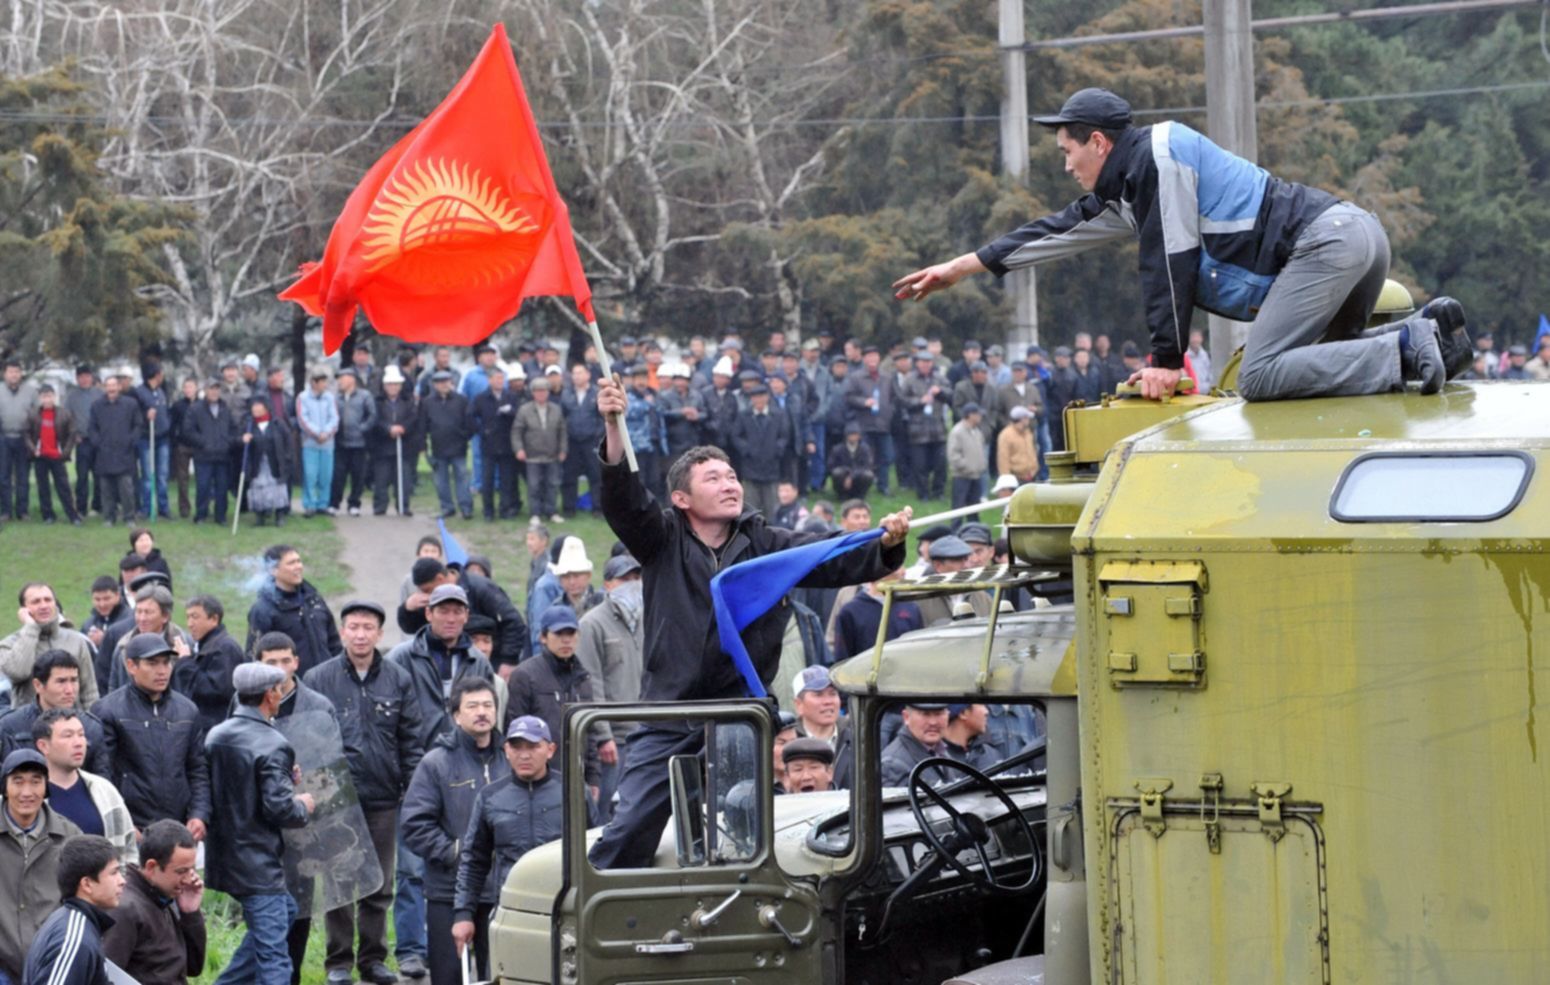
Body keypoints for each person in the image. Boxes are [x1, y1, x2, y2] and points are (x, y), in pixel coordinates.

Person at [894, 87, 1472, 402]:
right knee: (1317, 371)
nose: (1066, 164)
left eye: (1067, 151)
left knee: (1261, 376)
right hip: (1356, 233)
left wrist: (1166, 362)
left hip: (1326, 244)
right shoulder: (1132, 185)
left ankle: (1408, 340)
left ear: (1098, 142)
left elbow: (1169, 263)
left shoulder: (1159, 157)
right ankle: (1432, 336)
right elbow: (1057, 230)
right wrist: (960, 267)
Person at [588, 371, 910, 869]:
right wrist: (614, 426)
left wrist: (884, 545)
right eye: (713, 478)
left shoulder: (764, 543)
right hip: (670, 713)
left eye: (732, 475)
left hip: (741, 715)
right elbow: (624, 501)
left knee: (743, 838)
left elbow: (825, 557)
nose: (730, 484)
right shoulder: (659, 538)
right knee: (628, 830)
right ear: (681, 499)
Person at [303, 600, 422, 985]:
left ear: (379, 634)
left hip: (384, 798)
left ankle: (373, 959)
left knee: (379, 885)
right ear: (342, 632)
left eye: (367, 627)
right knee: (338, 883)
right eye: (353, 627)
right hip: (335, 800)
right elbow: (307, 739)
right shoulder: (319, 678)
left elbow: (411, 739)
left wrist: (411, 790)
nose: (360, 634)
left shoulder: (398, 679)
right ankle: (338, 963)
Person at [204, 662, 315, 985]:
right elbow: (281, 810)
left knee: (287, 912)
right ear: (270, 694)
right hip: (257, 861)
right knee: (275, 958)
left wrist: (282, 778)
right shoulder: (273, 742)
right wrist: (302, 804)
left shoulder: (216, 734)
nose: (281, 696)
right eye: (279, 690)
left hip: (223, 857)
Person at [399, 678, 502, 985]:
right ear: (456, 715)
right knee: (448, 977)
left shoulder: (514, 758)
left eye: (487, 705)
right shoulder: (436, 763)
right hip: (449, 891)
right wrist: (457, 853)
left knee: (501, 974)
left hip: (502, 892)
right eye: (472, 706)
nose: (481, 712)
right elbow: (414, 824)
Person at [451, 716, 571, 970]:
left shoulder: (571, 791)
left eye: (533, 746)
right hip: (511, 912)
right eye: (516, 747)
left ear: (550, 750)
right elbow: (473, 860)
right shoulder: (490, 797)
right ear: (506, 750)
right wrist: (463, 914)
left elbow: (594, 850)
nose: (524, 755)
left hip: (564, 912)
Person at [92, 634, 211, 840]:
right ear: (131, 666)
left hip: (178, 827)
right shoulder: (107, 710)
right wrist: (124, 823)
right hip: (133, 829)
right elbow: (103, 776)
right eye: (152, 663)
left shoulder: (187, 710)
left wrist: (199, 815)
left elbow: (197, 769)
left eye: (166, 663)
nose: (162, 670)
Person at [387, 585, 504, 750]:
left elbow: (489, 716)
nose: (451, 619)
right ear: (429, 614)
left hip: (465, 758)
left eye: (457, 612)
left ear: (466, 616)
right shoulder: (401, 658)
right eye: (443, 611)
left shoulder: (478, 661)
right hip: (414, 758)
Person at [0, 749, 81, 983]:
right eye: (18, 782)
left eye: (36, 782)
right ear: (5, 787)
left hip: (52, 961)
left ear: (46, 787)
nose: (27, 792)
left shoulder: (69, 836)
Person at [507, 606, 603, 801]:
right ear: (543, 637)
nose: (566, 640)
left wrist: (593, 777)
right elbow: (513, 732)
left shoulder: (583, 678)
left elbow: (590, 733)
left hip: (577, 777)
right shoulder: (525, 675)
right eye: (559, 633)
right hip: (537, 779)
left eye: (571, 633)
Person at [574, 554, 643, 818]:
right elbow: (591, 681)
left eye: (637, 578)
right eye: (625, 579)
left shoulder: (647, 618)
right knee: (607, 814)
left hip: (645, 732)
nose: (633, 584)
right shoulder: (591, 624)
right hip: (614, 739)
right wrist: (603, 735)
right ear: (608, 584)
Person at [101, 819, 206, 985]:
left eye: (191, 870)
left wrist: (190, 913)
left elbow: (193, 967)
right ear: (151, 867)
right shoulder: (126, 909)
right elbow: (105, 976)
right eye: (181, 871)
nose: (188, 879)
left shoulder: (162, 897)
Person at [31, 710, 135, 867]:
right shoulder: (26, 798)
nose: (79, 742)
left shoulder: (105, 791)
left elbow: (128, 851)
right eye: (68, 736)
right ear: (43, 746)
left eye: (81, 734)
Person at [19, 834, 122, 985]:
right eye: (114, 873)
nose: (122, 881)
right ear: (87, 884)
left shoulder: (73, 922)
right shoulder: (74, 939)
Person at [397, 559, 527, 670]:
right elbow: (411, 628)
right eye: (444, 611)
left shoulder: (481, 587)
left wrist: (508, 661)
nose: (424, 594)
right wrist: (407, 608)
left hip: (488, 662)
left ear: (440, 579)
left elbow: (513, 621)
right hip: (446, 663)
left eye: (457, 611)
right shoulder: (431, 596)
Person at [0, 652, 110, 776]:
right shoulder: (10, 725)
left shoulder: (91, 727)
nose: (69, 690)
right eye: (61, 681)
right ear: (38, 685)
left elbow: (102, 781)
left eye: (74, 680)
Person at [1, 583, 99, 710]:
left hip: (72, 724)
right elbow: (19, 673)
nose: (43, 606)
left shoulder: (76, 640)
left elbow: (89, 690)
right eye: (36, 602)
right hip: (29, 725)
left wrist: (91, 723)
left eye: (48, 600)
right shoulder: (9, 644)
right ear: (24, 610)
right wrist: (31, 628)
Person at [246, 545, 341, 676]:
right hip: (292, 687)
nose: (298, 567)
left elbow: (334, 641)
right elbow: (255, 656)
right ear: (273, 570)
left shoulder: (314, 600)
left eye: (299, 561)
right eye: (291, 563)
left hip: (327, 681)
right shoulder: (263, 610)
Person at [173, 596, 243, 736]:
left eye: (195, 617)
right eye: (188, 617)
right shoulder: (205, 645)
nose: (190, 623)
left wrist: (186, 662)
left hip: (216, 731)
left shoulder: (225, 647)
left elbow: (215, 690)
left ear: (214, 619)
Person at [105, 585, 192, 692]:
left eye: (148, 612)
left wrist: (184, 661)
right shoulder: (124, 646)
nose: (142, 618)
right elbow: (114, 686)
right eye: (138, 611)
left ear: (165, 616)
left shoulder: (184, 643)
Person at [831, 571, 924, 664]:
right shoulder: (850, 612)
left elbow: (920, 652)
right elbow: (842, 661)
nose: (903, 571)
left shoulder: (911, 608)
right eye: (897, 566)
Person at [87, 375, 142, 526]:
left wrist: (131, 441)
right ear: (105, 387)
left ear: (119, 387)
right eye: (108, 385)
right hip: (104, 453)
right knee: (106, 489)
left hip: (125, 453)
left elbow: (138, 425)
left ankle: (129, 517)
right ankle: (109, 517)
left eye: (113, 385)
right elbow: (92, 428)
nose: (111, 389)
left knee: (127, 489)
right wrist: (97, 443)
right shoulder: (96, 406)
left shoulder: (131, 404)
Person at [24, 385, 82, 525]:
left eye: (49, 396)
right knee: (43, 487)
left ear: (54, 397)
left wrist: (66, 452)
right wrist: (33, 450)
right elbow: (26, 434)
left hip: (57, 456)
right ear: (40, 398)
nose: (47, 399)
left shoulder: (64, 413)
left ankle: (73, 516)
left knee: (63, 487)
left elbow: (72, 434)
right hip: (40, 456)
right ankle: (48, 515)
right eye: (44, 396)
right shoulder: (33, 414)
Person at [512, 375, 566, 525]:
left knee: (552, 484)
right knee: (534, 485)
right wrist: (519, 449)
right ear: (533, 393)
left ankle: (551, 512)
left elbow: (562, 431)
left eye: (544, 391)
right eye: (538, 391)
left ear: (548, 392)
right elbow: (516, 431)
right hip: (532, 456)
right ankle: (535, 513)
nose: (541, 394)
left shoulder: (556, 409)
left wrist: (563, 450)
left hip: (552, 455)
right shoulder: (524, 410)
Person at [469, 365, 520, 521]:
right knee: (487, 480)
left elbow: (519, 414)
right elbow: (470, 416)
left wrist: (510, 411)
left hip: (506, 444)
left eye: (501, 378)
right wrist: (481, 430)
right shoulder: (481, 398)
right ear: (489, 380)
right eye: (496, 378)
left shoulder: (510, 396)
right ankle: (488, 512)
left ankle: (505, 509)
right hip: (488, 445)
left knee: (506, 480)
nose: (499, 381)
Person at [788, 667, 854, 789]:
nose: (828, 701)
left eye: (832, 694)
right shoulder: (787, 742)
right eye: (818, 695)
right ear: (799, 705)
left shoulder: (856, 738)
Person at [184, 378, 238, 525]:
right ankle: (201, 515)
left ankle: (220, 516)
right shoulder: (195, 409)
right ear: (205, 390)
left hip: (222, 456)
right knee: (203, 486)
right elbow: (188, 431)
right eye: (211, 388)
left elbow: (233, 429)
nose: (214, 392)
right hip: (203, 455)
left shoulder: (225, 409)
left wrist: (227, 442)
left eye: (216, 389)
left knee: (222, 488)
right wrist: (203, 443)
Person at [421, 370, 474, 520]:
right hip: (438, 448)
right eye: (440, 382)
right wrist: (423, 446)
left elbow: (470, 423)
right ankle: (447, 508)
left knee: (462, 479)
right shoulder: (427, 402)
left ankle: (466, 508)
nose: (444, 385)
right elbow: (422, 426)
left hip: (459, 447)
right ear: (435, 385)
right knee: (441, 481)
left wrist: (463, 437)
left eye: (447, 381)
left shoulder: (462, 400)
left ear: (452, 382)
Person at [898, 351, 949, 501]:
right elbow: (902, 401)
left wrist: (940, 392)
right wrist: (920, 401)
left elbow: (950, 394)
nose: (926, 364)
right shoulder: (909, 379)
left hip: (938, 429)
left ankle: (938, 492)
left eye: (929, 362)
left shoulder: (939, 378)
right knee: (919, 465)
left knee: (941, 464)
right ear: (917, 363)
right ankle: (923, 494)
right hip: (917, 431)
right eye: (923, 362)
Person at [371, 366, 421, 516]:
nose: (393, 387)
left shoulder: (408, 401)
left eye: (395, 384)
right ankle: (380, 506)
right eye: (390, 384)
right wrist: (388, 429)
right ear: (384, 386)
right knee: (381, 478)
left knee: (404, 479)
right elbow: (375, 420)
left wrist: (403, 428)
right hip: (383, 446)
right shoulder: (377, 402)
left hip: (404, 446)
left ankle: (403, 506)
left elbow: (413, 419)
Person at [912, 536, 991, 626]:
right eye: (958, 560)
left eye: (965, 559)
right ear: (938, 566)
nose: (966, 566)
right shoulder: (919, 601)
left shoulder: (982, 598)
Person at [880, 703, 963, 787]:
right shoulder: (892, 765)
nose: (933, 722)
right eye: (925, 714)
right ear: (906, 717)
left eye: (938, 714)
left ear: (948, 715)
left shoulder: (938, 750)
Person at [330, 369, 376, 516]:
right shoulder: (336, 398)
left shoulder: (365, 396)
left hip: (359, 444)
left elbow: (372, 416)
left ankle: (354, 504)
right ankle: (334, 504)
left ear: (352, 379)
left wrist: (361, 429)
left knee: (358, 476)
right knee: (338, 476)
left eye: (342, 378)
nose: (340, 381)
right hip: (340, 443)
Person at [241, 399, 294, 526]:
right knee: (258, 488)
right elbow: (240, 442)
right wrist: (243, 439)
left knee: (277, 488)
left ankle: (280, 516)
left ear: (266, 408)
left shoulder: (277, 423)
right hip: (257, 463)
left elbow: (288, 440)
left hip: (275, 463)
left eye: (259, 406)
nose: (256, 409)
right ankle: (260, 516)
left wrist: (287, 458)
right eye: (254, 406)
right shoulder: (249, 425)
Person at [559, 364, 604, 516]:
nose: (577, 376)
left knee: (595, 476)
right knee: (569, 476)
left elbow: (602, 418)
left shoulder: (596, 393)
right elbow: (562, 417)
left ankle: (597, 508)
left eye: (580, 373)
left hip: (591, 441)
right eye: (574, 373)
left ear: (588, 375)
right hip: (572, 441)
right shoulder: (566, 394)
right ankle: (569, 508)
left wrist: (596, 435)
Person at [295, 371, 339, 517]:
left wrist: (326, 433)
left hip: (327, 443)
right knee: (310, 475)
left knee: (326, 475)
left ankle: (323, 504)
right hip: (310, 443)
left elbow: (334, 418)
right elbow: (303, 419)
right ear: (314, 382)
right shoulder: (303, 397)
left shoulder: (329, 398)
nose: (325, 385)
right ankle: (310, 505)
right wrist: (316, 433)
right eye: (322, 382)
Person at [66, 367, 103, 519]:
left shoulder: (99, 394)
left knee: (99, 475)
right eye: (81, 376)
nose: (84, 379)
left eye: (87, 376)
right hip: (82, 440)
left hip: (98, 440)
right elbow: (68, 418)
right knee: (82, 477)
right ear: (77, 378)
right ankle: (81, 508)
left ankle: (98, 506)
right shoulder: (71, 396)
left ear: (91, 377)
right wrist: (74, 435)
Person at [947, 403, 988, 523]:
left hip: (976, 476)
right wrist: (967, 466)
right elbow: (953, 455)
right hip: (961, 476)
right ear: (970, 415)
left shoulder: (977, 432)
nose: (980, 417)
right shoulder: (957, 432)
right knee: (958, 509)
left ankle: (974, 530)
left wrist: (981, 466)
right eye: (978, 414)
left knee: (974, 508)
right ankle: (955, 532)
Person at [551, 540, 604, 620]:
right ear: (560, 580)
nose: (572, 582)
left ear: (588, 576)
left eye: (577, 576)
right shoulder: (556, 609)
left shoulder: (602, 603)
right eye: (566, 577)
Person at [826, 422, 875, 501]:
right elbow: (831, 466)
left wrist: (852, 476)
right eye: (851, 434)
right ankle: (842, 495)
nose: (853, 437)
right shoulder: (837, 449)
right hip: (843, 476)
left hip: (859, 476)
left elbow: (868, 465)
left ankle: (860, 495)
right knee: (837, 472)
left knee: (868, 475)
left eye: (855, 434)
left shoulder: (865, 449)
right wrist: (848, 473)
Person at [942, 703, 997, 772]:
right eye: (981, 705)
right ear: (963, 713)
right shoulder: (936, 755)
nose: (986, 712)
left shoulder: (989, 753)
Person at [997, 405, 1039, 485]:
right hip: (1016, 479)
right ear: (1022, 419)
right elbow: (1003, 460)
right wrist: (1007, 482)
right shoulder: (1005, 435)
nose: (1029, 420)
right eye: (1027, 418)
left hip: (1032, 477)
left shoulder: (1028, 432)